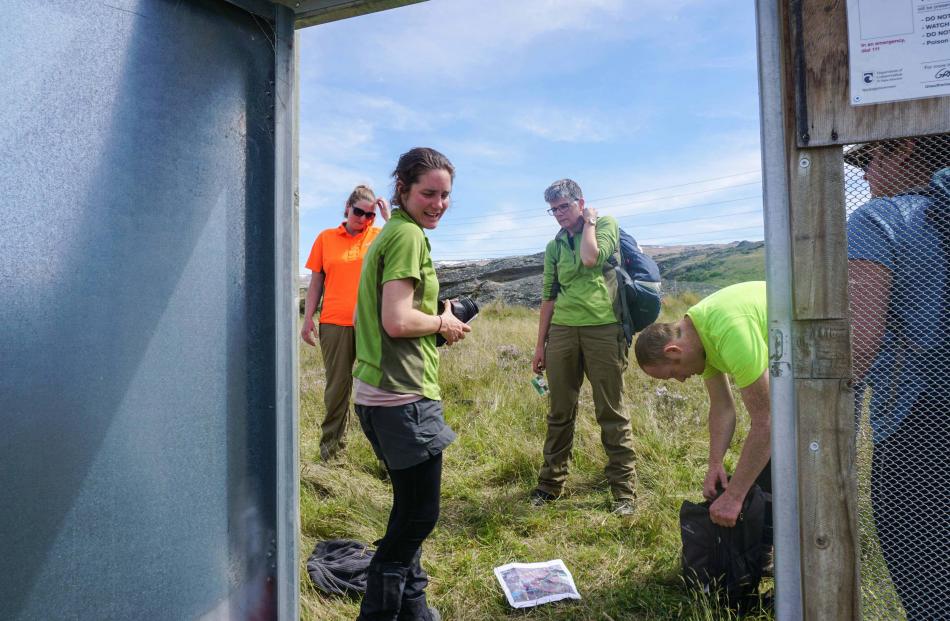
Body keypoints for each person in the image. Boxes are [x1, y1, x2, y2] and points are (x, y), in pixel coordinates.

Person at [351, 147, 470, 621]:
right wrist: (443, 324)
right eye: (428, 193)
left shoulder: (393, 233)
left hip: (380, 397)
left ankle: (414, 609)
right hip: (402, 399)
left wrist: (439, 320)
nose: (438, 203)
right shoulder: (407, 238)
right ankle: (377, 615)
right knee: (419, 516)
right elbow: (397, 320)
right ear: (402, 188)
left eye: (445, 195)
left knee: (408, 511)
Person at [846, 134, 950, 620]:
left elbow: (858, 345)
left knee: (928, 582)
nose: (864, 175)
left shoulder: (880, 220)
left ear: (903, 149)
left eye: (868, 159)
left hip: (919, 431)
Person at [530, 178, 638, 515]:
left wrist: (589, 221)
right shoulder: (554, 246)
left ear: (581, 202)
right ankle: (550, 485)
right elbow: (548, 296)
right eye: (554, 209)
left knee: (611, 411)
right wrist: (540, 346)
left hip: (604, 330)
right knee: (560, 412)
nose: (560, 214)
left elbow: (591, 258)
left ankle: (623, 491)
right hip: (562, 332)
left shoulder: (604, 224)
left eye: (565, 206)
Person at [634, 281, 771, 528]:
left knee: (782, 457)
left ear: (674, 351)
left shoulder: (728, 332)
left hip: (841, 341)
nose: (681, 379)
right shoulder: (698, 334)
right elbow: (722, 407)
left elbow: (768, 421)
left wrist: (734, 496)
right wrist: (715, 463)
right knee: (767, 463)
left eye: (672, 374)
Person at [301, 185, 389, 462]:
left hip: (371, 325)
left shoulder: (379, 236)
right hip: (334, 323)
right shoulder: (326, 238)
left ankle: (388, 457)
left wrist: (388, 220)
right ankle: (331, 454)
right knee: (337, 388)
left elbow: (404, 244)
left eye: (370, 215)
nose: (363, 219)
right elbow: (316, 283)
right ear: (347, 209)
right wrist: (307, 319)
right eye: (358, 212)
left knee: (378, 390)